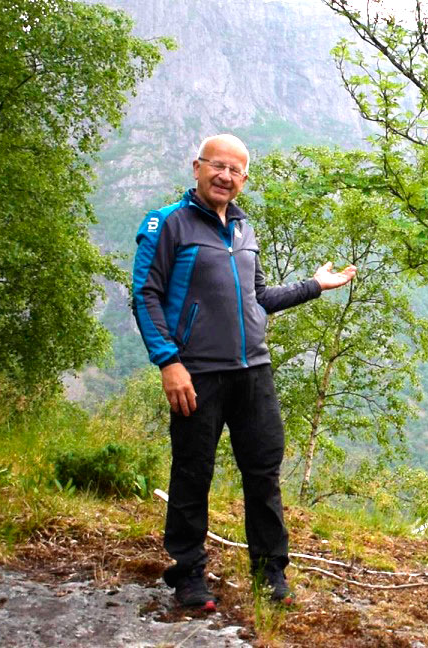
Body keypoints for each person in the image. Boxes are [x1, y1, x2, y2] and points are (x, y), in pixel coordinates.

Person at [131, 133, 355, 610]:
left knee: (263, 472)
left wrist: (315, 285)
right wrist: (168, 361)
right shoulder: (167, 223)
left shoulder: (243, 228)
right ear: (197, 167)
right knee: (192, 472)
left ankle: (270, 572)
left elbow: (260, 298)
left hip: (254, 369)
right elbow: (145, 294)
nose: (225, 176)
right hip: (197, 373)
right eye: (217, 165)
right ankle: (188, 574)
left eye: (235, 170)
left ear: (245, 179)